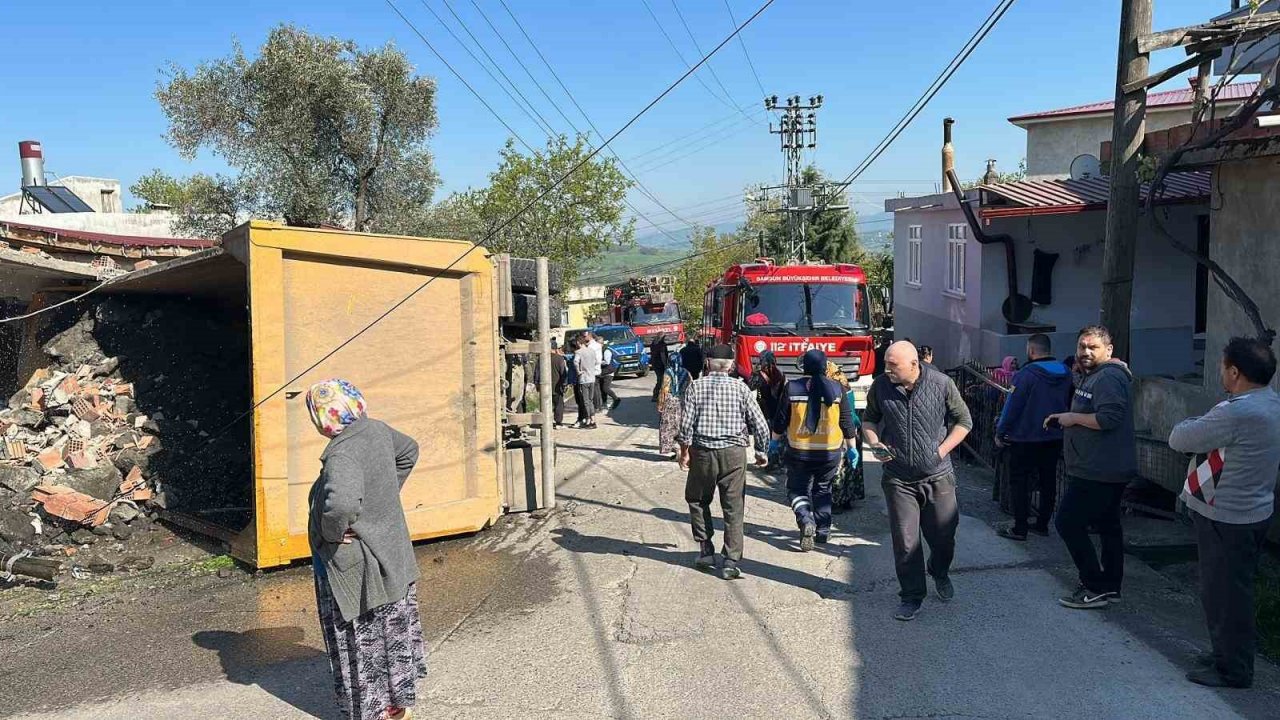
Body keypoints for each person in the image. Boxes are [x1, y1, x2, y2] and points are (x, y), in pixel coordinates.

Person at [305, 380, 427, 720]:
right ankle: (396, 705)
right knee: (392, 632)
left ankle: (374, 711)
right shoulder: (375, 430)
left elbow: (341, 504)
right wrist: (383, 497)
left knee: (364, 638)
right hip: (390, 554)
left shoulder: (341, 454)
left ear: (321, 418)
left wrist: (331, 533)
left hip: (358, 566)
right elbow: (409, 451)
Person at [1169, 337, 1280, 689]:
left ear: (1234, 372)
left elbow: (1180, 438)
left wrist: (1197, 419)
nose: (1219, 371)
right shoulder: (1271, 403)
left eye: (1221, 366)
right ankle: (1226, 654)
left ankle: (1233, 669)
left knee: (1224, 595)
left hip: (1226, 515)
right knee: (1232, 590)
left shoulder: (1236, 412)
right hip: (1254, 509)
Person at [863, 341, 972, 621]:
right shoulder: (880, 386)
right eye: (886, 364)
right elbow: (869, 420)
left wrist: (940, 451)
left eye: (893, 365)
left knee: (944, 536)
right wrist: (875, 443)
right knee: (906, 541)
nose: (887, 369)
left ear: (914, 364)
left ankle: (939, 569)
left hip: (938, 476)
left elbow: (964, 421)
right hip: (898, 479)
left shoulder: (942, 383)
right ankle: (911, 596)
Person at [1045, 325, 1137, 610]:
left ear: (1108, 350)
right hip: (1100, 465)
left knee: (1067, 522)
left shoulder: (1108, 377)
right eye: (1082, 346)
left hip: (1100, 468)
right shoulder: (1094, 375)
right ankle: (1109, 587)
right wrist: (1066, 415)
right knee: (1109, 526)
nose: (1085, 351)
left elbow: (1108, 418)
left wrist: (1072, 417)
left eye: (1092, 347)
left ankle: (1094, 586)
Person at [676, 344, 771, 580]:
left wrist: (684, 451)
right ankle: (731, 560)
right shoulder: (741, 388)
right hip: (734, 454)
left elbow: (686, 425)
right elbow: (760, 424)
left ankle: (706, 548)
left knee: (697, 499)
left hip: (703, 453)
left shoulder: (695, 387)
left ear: (708, 363)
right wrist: (761, 451)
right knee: (733, 507)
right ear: (730, 365)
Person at [770, 349, 859, 551]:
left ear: (804, 366)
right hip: (829, 451)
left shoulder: (792, 387)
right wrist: (852, 448)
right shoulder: (837, 388)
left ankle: (805, 519)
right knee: (823, 489)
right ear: (825, 365)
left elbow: (781, 419)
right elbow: (846, 421)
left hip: (799, 450)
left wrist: (774, 442)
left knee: (796, 490)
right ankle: (823, 531)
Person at [994, 334, 1072, 541]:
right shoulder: (1066, 373)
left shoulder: (1025, 375)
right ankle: (1042, 524)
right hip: (1054, 436)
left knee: (1020, 482)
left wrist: (1001, 431)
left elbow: (1012, 407)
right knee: (1048, 481)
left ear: (1031, 350)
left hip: (1025, 437)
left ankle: (1020, 527)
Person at [826, 360, 865, 509]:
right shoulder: (846, 385)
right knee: (851, 469)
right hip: (853, 430)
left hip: (844, 431)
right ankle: (848, 499)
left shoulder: (836, 389)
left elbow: (845, 414)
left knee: (840, 469)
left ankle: (837, 502)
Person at [658, 350, 690, 458]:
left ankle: (675, 448)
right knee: (680, 425)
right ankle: (680, 448)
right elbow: (691, 387)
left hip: (670, 402)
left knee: (668, 426)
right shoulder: (686, 372)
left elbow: (664, 389)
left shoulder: (668, 372)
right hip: (683, 402)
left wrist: (660, 404)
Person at [574, 336, 600, 429]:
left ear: (578, 343)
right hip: (592, 378)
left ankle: (589, 420)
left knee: (585, 401)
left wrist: (578, 371)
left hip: (584, 379)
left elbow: (575, 362)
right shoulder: (592, 351)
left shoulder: (578, 352)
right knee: (590, 400)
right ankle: (593, 419)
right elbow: (597, 361)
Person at [549, 338, 568, 428]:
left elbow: (537, 372)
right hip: (557, 386)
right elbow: (563, 372)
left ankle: (546, 421)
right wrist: (565, 383)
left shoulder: (542, 358)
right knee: (559, 405)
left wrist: (537, 383)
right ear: (556, 349)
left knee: (547, 404)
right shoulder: (559, 359)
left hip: (545, 386)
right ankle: (558, 422)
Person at [598, 340, 621, 412]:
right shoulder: (601, 350)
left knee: (605, 388)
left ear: (601, 344)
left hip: (609, 372)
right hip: (604, 371)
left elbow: (607, 362)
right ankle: (604, 404)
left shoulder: (606, 351)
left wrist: (597, 362)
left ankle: (616, 399)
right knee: (602, 388)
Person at [650, 335, 669, 403]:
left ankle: (657, 395)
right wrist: (666, 365)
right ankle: (656, 396)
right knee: (661, 380)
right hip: (660, 365)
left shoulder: (653, 344)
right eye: (664, 337)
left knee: (660, 379)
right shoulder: (662, 345)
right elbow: (663, 356)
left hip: (655, 364)